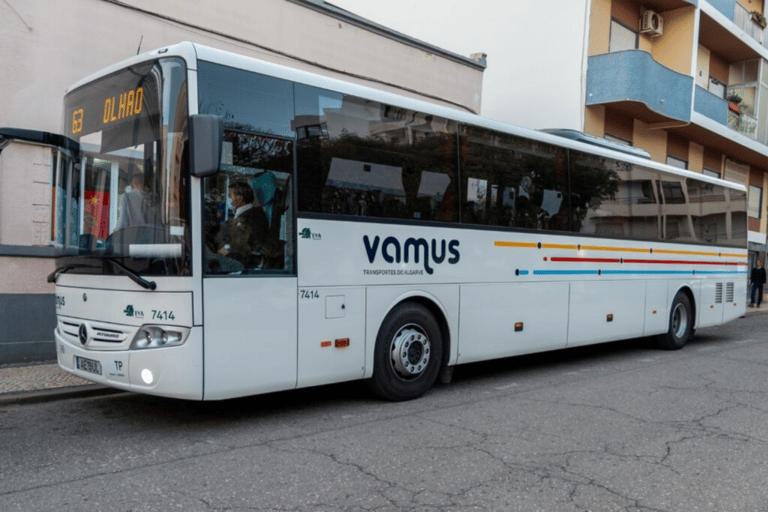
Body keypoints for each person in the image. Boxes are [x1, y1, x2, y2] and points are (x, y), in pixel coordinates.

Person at [216, 181, 269, 268]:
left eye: (230, 195)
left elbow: (245, 245)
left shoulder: (254, 216)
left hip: (246, 265)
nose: (228, 198)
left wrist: (226, 249)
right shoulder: (242, 214)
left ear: (240, 198)